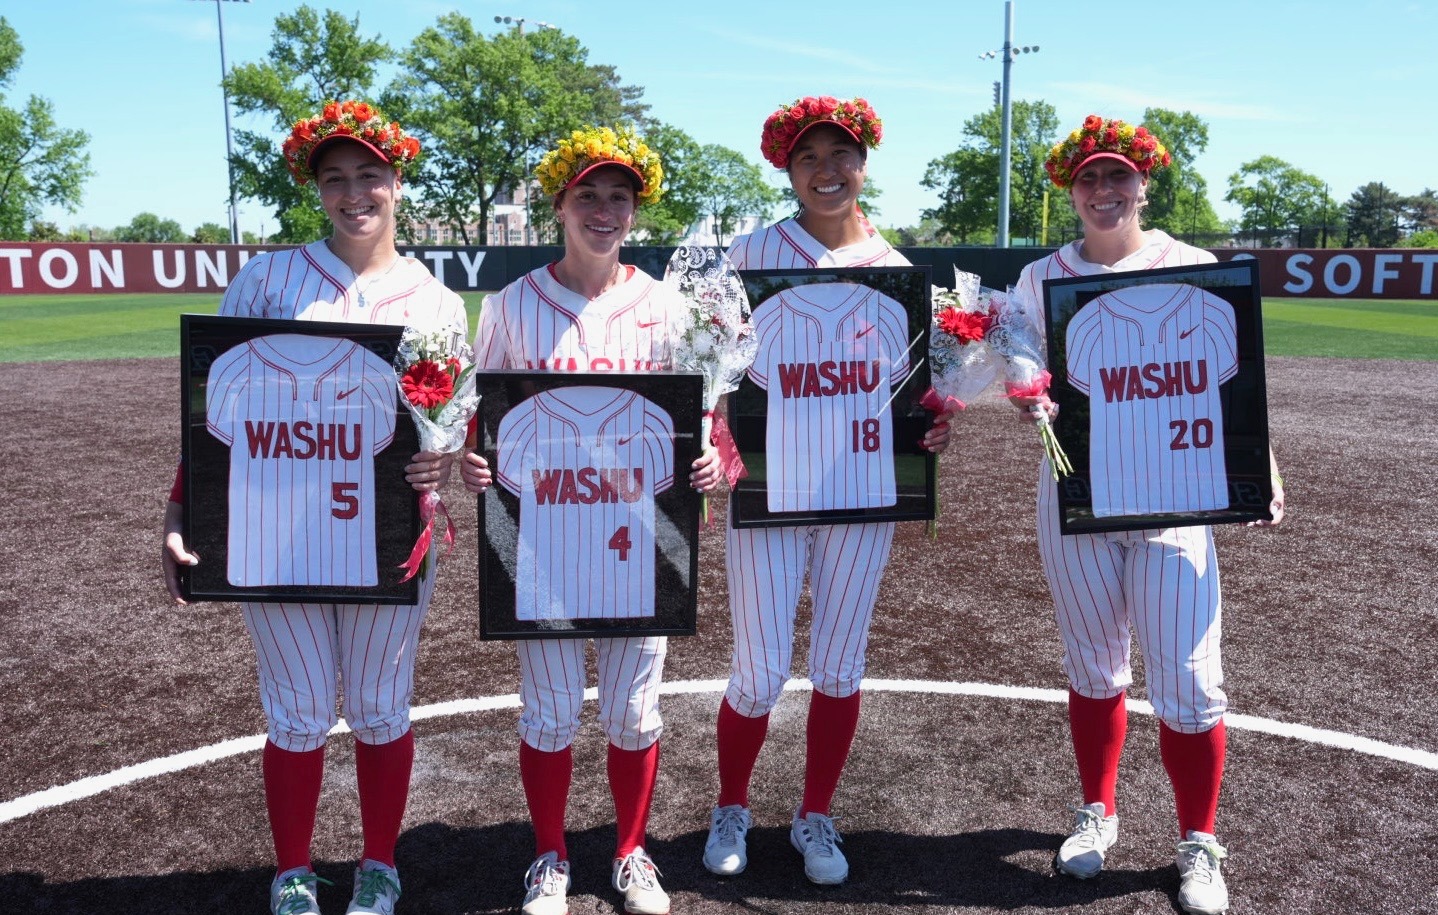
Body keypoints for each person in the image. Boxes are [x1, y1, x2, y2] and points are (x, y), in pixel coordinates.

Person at [161, 99, 466, 915]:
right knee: (296, 709)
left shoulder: (435, 301)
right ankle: (292, 868)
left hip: (390, 533)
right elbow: (211, 410)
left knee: (378, 706)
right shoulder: (268, 278)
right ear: (317, 190)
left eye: (370, 174)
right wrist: (180, 512)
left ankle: (378, 863)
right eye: (335, 178)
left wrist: (445, 455)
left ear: (398, 182)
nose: (353, 192)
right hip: (278, 527)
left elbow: (456, 423)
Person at [1007, 114, 1286, 915]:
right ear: (1072, 189)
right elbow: (1019, 360)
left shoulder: (1191, 266)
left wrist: (1259, 462)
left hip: (1174, 497)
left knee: (1193, 684)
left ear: (1144, 184)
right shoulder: (1040, 276)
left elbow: (1233, 382)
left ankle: (1198, 840)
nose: (1104, 190)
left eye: (1118, 176)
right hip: (1080, 495)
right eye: (1089, 177)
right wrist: (1024, 391)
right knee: (1094, 666)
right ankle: (1098, 812)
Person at [458, 125, 721, 915]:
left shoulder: (671, 307)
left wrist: (713, 461)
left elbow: (700, 416)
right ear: (560, 204)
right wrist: (473, 459)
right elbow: (482, 420)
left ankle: (632, 852)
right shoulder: (510, 306)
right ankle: (549, 855)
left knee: (635, 709)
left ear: (635, 211)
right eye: (588, 195)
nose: (603, 210)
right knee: (546, 707)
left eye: (619, 196)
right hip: (544, 536)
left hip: (640, 536)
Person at [700, 95, 954, 886]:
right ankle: (731, 803)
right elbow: (707, 371)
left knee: (840, 665)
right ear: (787, 166)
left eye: (840, 154)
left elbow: (916, 392)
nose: (827, 170)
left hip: (859, 487)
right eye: (809, 157)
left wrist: (932, 427)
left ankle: (816, 812)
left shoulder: (900, 273)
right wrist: (714, 429)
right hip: (770, 488)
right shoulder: (747, 254)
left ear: (865, 163)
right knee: (758, 670)